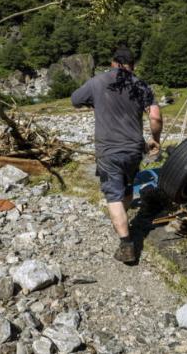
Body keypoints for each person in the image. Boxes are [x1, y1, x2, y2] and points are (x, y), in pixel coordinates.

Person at [71, 47, 163, 264]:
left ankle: (126, 244)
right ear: (133, 65)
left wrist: (94, 102)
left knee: (113, 194)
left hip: (108, 150)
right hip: (133, 149)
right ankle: (123, 218)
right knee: (128, 188)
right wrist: (156, 139)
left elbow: (75, 100)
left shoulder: (98, 81)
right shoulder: (140, 85)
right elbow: (156, 117)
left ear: (113, 62)